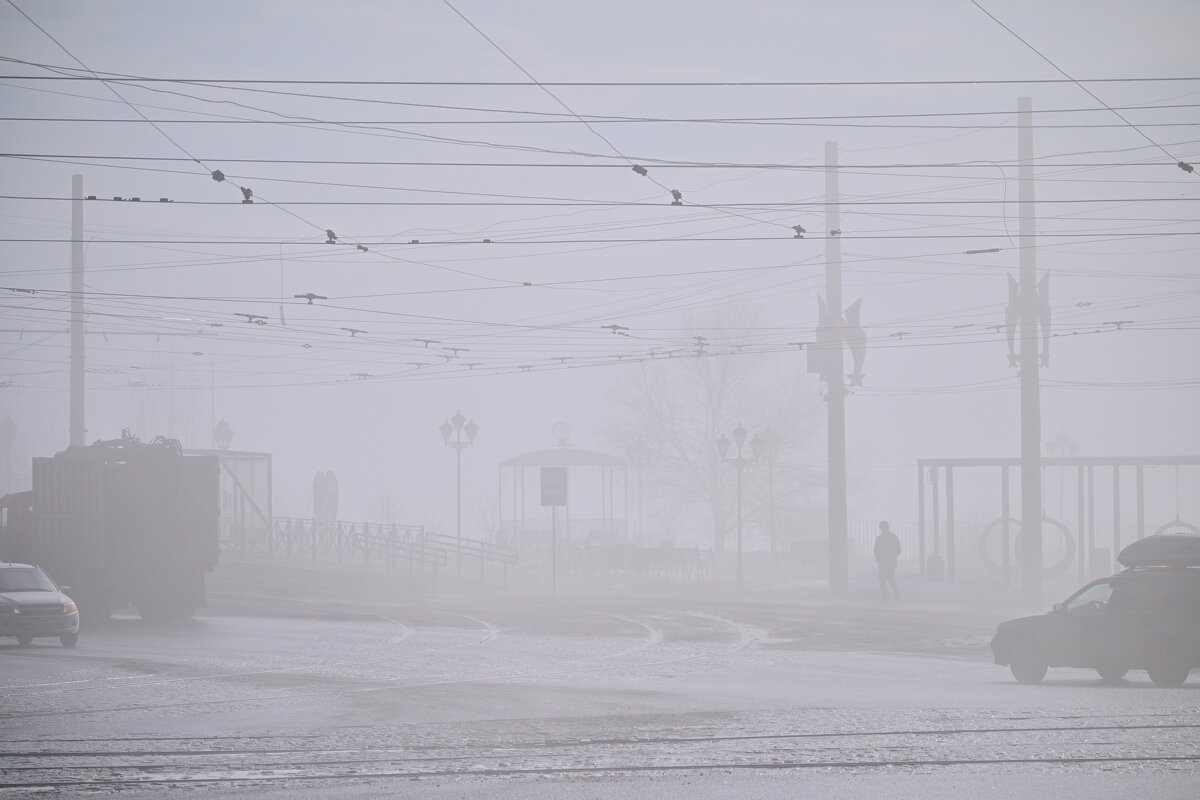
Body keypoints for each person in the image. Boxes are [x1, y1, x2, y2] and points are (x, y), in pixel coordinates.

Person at [874, 521, 901, 603]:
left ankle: (891, 596)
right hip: (887, 562)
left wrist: (878, 558)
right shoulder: (893, 537)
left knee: (887, 579)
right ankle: (893, 596)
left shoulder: (880, 538)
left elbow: (876, 550)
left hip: (886, 562)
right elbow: (898, 549)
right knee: (886, 579)